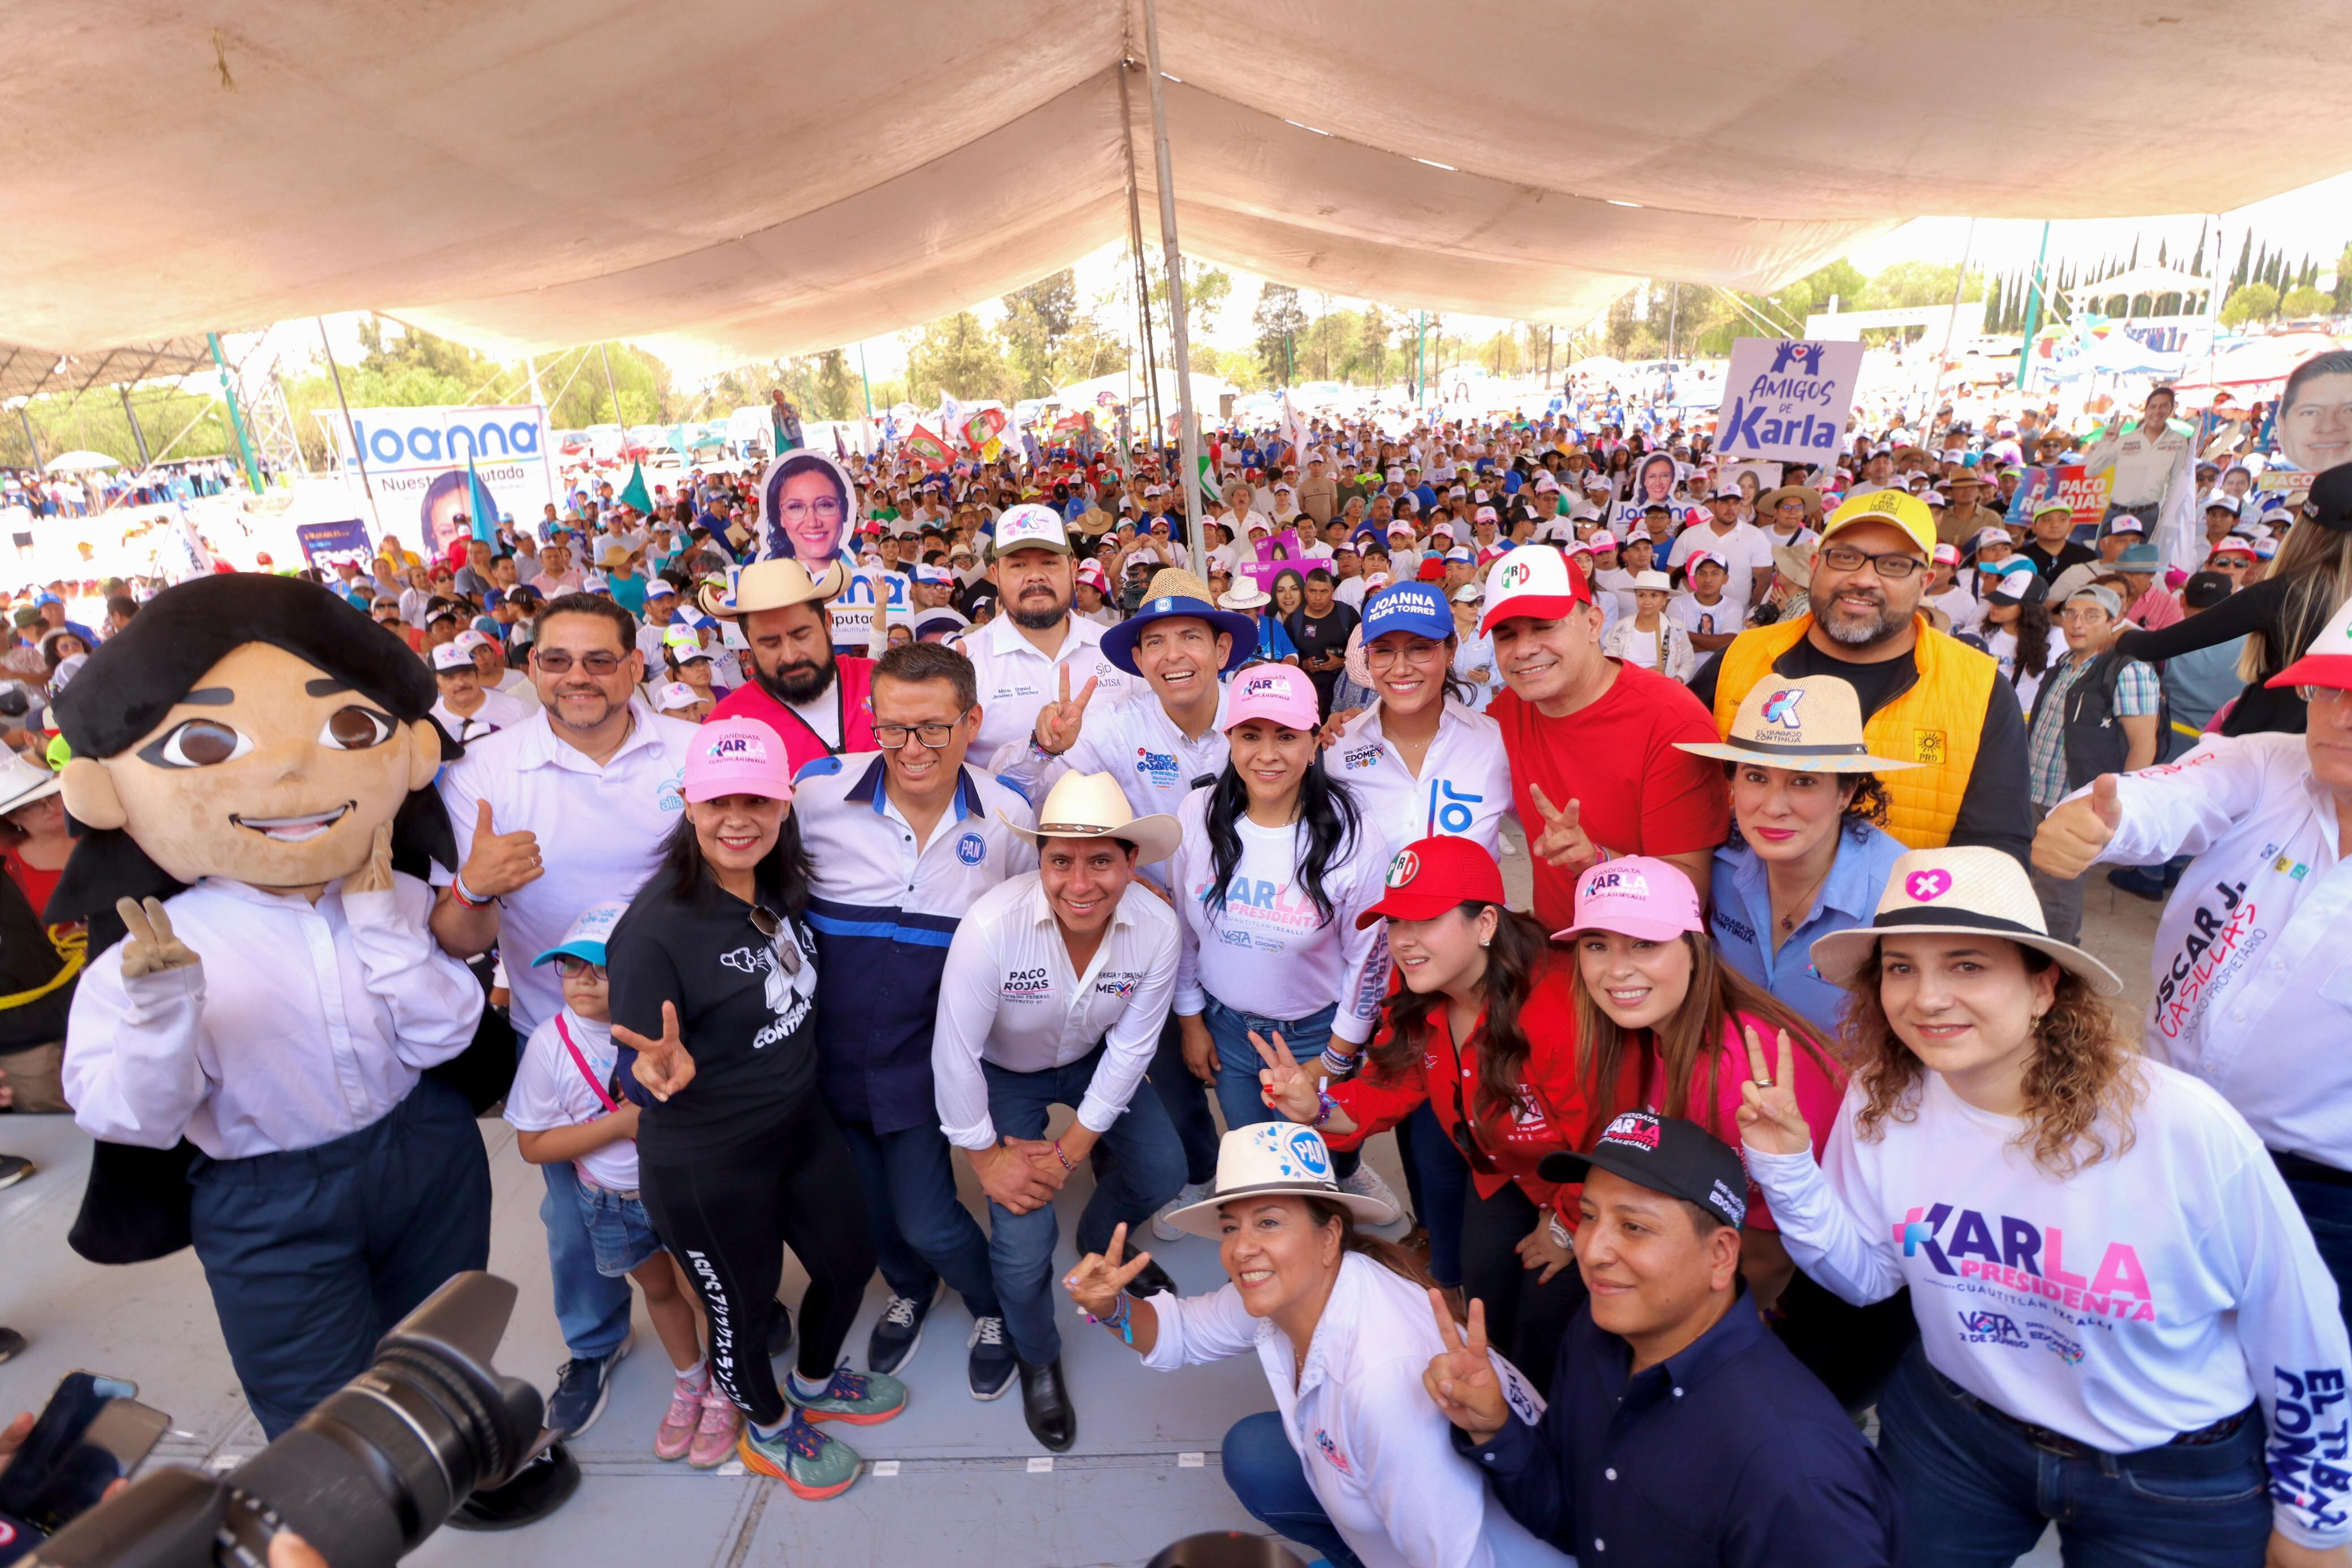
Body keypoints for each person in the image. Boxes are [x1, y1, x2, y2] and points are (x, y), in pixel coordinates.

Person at [1741, 845, 2352, 1568]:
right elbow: (1868, 1277)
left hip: (2165, 1473)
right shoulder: (1885, 1098)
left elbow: (2297, 1327)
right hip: (1954, 1438)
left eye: (1966, 964)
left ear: (2042, 986)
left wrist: (2316, 1520)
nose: (1925, 996)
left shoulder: (2180, 1126)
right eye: (1900, 966)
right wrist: (1785, 1164)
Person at [56, 575, 490, 1440]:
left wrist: (386, 929)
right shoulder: (154, 948)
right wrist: (163, 1011)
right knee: (319, 1408)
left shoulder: (392, 893)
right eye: (205, 743)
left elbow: (448, 1034)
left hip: (425, 1148)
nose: (292, 766)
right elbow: (132, 1118)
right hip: (267, 1190)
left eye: (350, 728)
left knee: (447, 1341)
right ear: (108, 790)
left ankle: (463, 1461)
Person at [2033, 592, 2352, 1330]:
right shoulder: (2265, 764)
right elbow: (2164, 796)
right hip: (2160, 1131)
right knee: (2132, 1335)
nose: (2338, 714)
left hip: (2328, 1194)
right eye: (2327, 687)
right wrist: (2093, 819)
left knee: (2305, 1372)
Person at [429, 591, 703, 1435]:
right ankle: (592, 1344)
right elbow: (455, 934)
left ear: (634, 666)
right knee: (576, 1215)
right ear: (527, 668)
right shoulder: (481, 775)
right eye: (555, 660)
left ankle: (732, 1335)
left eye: (597, 660)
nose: (577, 677)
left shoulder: (695, 753)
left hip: (691, 1028)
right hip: (560, 1035)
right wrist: (477, 884)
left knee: (712, 1193)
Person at [608, 716, 902, 1499]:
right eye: (717, 802)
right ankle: (768, 1430)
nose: (738, 819)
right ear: (688, 806)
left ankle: (811, 1379)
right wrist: (654, 1071)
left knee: (849, 1262)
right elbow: (638, 1061)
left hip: (801, 1127)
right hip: (708, 1161)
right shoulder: (653, 928)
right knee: (738, 1310)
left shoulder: (781, 883)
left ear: (784, 806)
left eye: (757, 801)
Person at [1061, 1124, 1568, 1568]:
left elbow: (1459, 1561)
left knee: (1262, 1455)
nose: (1242, 1248)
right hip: (1411, 1508)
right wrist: (1111, 1307)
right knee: (1254, 1453)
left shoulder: (1383, 1387)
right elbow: (1179, 1334)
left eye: (1269, 1222)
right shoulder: (1302, 1281)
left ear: (1329, 1237)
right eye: (1231, 1227)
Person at [1426, 1110, 1900, 1567]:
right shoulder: (1594, 1334)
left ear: (1720, 1255)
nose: (1592, 1251)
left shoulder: (1796, 1470)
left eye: (1634, 1227)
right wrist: (1494, 1429)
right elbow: (1576, 1520)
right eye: (1589, 1216)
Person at [1255, 836, 1598, 1379]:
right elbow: (1389, 1089)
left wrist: (1569, 1226)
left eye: (1425, 920)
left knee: (1546, 1322)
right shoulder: (1420, 985)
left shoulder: (1557, 1010)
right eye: (1394, 922)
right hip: (1504, 1172)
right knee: (1483, 1292)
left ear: (1486, 924)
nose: (1403, 942)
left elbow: (1604, 1139)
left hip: (1592, 1189)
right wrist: (1314, 1106)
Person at [790, 643, 1034, 1399]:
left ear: (972, 723)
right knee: (870, 1208)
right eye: (893, 729)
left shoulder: (1008, 815)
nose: (911, 750)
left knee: (928, 1216)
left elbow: (1026, 932)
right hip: (826, 1055)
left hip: (928, 1059)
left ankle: (992, 1305)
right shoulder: (816, 794)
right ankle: (911, 1288)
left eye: (932, 729)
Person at [929, 771, 1188, 1452]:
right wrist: (987, 1157)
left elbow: (1132, 1049)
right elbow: (954, 1053)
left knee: (1163, 1170)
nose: (1080, 883)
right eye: (1061, 861)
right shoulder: (991, 926)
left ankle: (1100, 1234)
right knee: (1019, 1251)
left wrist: (1068, 1152)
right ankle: (1037, 1354)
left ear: (1132, 862)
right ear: (1039, 859)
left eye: (1101, 859)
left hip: (1092, 1061)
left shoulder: (1158, 928)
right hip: (1004, 1072)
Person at [1168, 666, 1400, 1215]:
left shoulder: (1354, 837)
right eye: (1251, 735)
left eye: (1286, 736)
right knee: (1259, 1156)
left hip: (1315, 1033)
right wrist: (1191, 1021)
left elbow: (1369, 964)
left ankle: (1346, 1171)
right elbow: (1182, 929)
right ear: (1229, 739)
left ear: (1316, 740)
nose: (1267, 754)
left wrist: (1334, 1059)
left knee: (1319, 1155)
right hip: (1228, 1033)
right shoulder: (1197, 815)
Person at [1694, 490, 2031, 861]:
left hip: (1898, 915)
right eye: (1845, 557)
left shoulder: (1980, 689)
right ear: (1815, 565)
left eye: (1894, 564)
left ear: (1925, 582)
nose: (1864, 579)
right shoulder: (1740, 658)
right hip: (1734, 912)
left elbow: (1996, 851)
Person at [504, 903, 723, 1465]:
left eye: (599, 968)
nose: (581, 979)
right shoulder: (549, 1044)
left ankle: (726, 1386)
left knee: (703, 1290)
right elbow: (532, 1145)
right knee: (659, 1290)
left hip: (679, 1189)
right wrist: (621, 1123)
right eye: (570, 966)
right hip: (611, 1201)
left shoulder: (668, 1031)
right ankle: (690, 1379)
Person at [1479, 544, 1728, 932]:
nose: (1524, 650)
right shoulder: (1511, 708)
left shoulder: (1672, 721)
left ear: (1595, 623)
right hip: (1559, 958)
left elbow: (1689, 889)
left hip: (1651, 970)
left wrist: (1598, 864)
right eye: (1506, 635)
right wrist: (1362, 722)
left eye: (1545, 627)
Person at [1681, 675, 1914, 1038]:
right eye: (1756, 777)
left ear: (1846, 792)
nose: (1773, 807)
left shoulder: (1898, 899)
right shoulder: (1714, 856)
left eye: (1803, 781)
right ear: (1732, 783)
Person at [2112, 461, 2352, 737]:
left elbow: (2152, 647)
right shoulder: (2284, 593)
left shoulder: (2283, 594)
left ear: (2306, 528)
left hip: (2267, 744)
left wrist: (2115, 631)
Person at [1330, 582, 1515, 860]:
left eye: (1419, 648)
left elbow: (1553, 835)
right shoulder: (1336, 747)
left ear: (1451, 651)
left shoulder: (1496, 743)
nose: (1402, 668)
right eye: (1382, 650)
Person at [2023, 584, 2163, 943]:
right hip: (2034, 791)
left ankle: (2056, 964)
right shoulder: (2063, 665)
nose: (2077, 623)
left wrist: (2124, 806)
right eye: (2071, 613)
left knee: (2058, 893)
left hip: (2075, 799)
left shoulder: (2128, 671)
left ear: (2113, 621)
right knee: (2028, 883)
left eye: (2091, 615)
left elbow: (2143, 744)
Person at [958, 505, 1135, 760]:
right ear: (996, 576)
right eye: (1018, 565)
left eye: (1049, 562)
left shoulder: (1115, 651)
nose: (1035, 576)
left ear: (1073, 569)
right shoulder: (965, 662)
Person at [701, 556, 879, 771]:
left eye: (802, 636)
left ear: (827, 624)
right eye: (770, 643)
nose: (790, 656)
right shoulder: (725, 725)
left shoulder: (882, 682)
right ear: (749, 644)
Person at [759, 450, 855, 566]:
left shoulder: (873, 579)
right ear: (780, 517)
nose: (812, 523)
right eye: (796, 507)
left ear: (844, 510)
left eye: (825, 505)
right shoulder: (767, 582)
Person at [1598, 568, 1697, 681]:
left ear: (1665, 597)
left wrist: (1676, 681)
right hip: (1629, 692)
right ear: (1636, 597)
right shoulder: (1620, 629)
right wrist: (1643, 675)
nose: (1647, 601)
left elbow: (1688, 662)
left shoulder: (1675, 628)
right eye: (1641, 595)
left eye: (1654, 596)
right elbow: (1610, 665)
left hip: (1664, 692)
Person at [1287, 567, 1360, 718]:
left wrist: (1342, 663)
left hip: (1344, 690)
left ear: (1332, 591)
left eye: (1324, 592)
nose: (1318, 597)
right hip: (1307, 692)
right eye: (1313, 591)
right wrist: (1304, 665)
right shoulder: (1294, 619)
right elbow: (1286, 655)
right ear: (1305, 591)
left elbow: (1364, 650)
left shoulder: (1347, 614)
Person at [428, 640, 528, 744]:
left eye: (466, 675)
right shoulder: (429, 721)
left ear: (476, 676)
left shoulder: (518, 707)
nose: (461, 683)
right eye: (450, 678)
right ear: (436, 684)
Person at [1221, 578, 1299, 662]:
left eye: (1247, 612)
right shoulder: (1227, 631)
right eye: (1237, 612)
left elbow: (1291, 654)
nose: (1242, 617)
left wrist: (1285, 665)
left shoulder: (1274, 625)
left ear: (1257, 609)